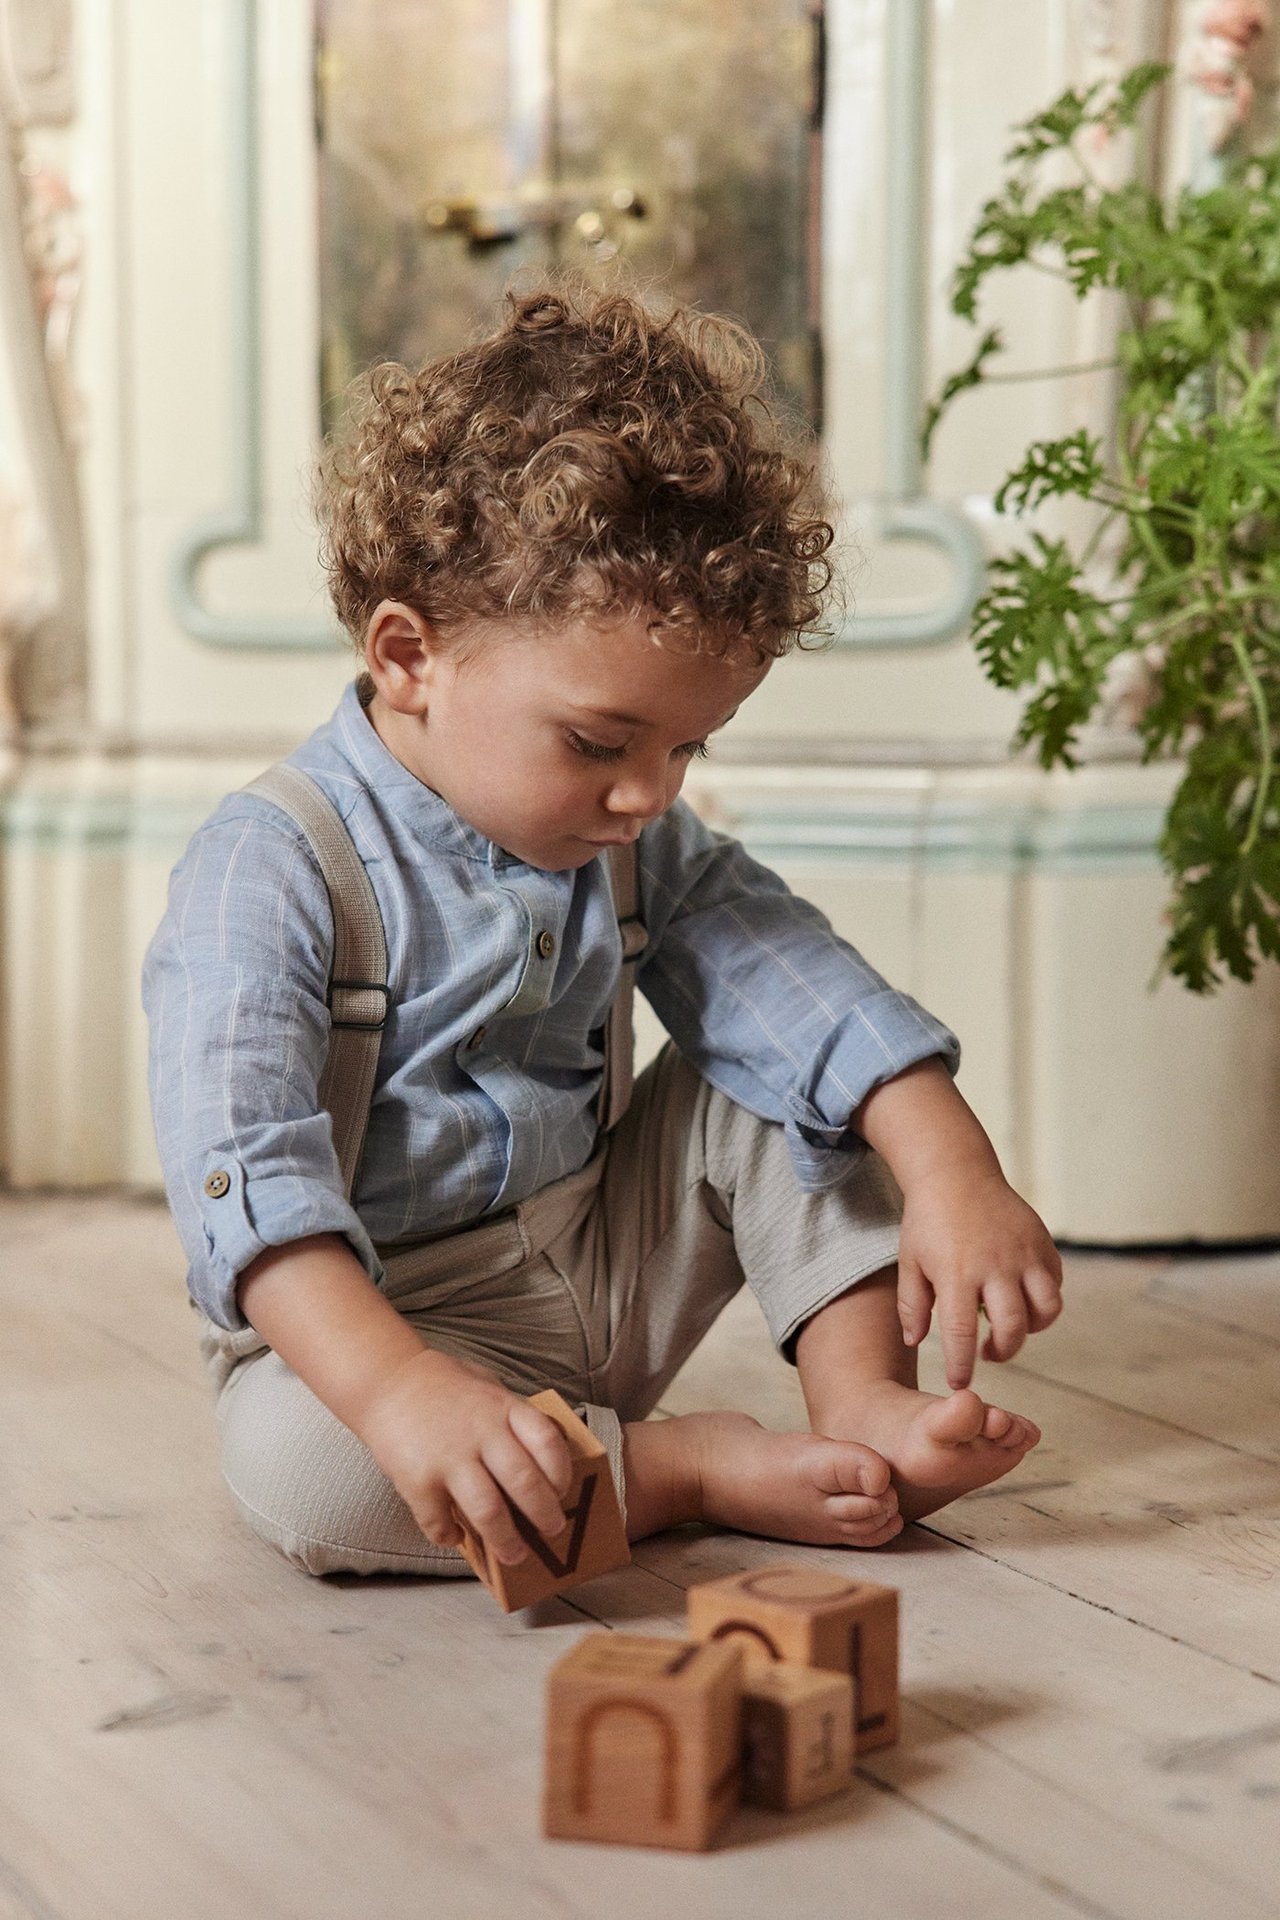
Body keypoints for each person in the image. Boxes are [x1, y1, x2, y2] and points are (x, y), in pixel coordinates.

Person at [143, 281, 1062, 1581]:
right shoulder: (270, 870)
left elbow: (791, 981)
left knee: (789, 1080)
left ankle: (857, 1398)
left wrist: (953, 1166)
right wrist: (401, 1390)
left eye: (688, 745)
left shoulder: (628, 838)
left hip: (601, 1267)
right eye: (598, 744)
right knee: (310, 1485)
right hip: (373, 1325)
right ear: (408, 655)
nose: (650, 796)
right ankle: (673, 1470)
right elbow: (245, 1173)